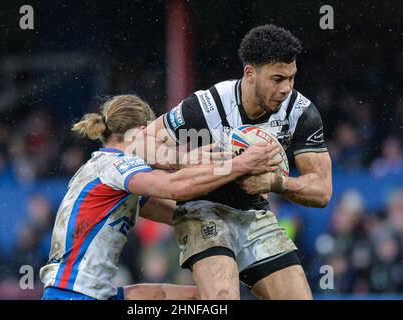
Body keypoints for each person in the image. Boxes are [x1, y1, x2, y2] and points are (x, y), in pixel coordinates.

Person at [140, 24, 333, 299]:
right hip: (204, 210)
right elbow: (141, 144)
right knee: (223, 299)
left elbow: (322, 191)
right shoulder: (207, 106)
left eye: (291, 78)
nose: (286, 89)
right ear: (250, 74)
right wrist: (183, 157)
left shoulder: (300, 113)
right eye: (277, 79)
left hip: (255, 214)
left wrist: (275, 182)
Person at [39, 94, 281, 300]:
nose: (160, 145)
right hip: (74, 292)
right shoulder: (116, 165)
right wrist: (239, 165)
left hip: (91, 291)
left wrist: (237, 215)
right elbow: (175, 187)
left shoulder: (106, 171)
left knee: (198, 297)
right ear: (142, 132)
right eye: (158, 137)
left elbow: (180, 215)